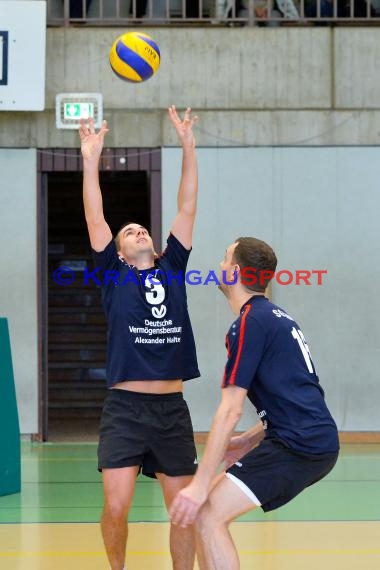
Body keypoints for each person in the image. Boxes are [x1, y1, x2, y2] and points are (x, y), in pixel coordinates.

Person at [170, 236, 340, 570]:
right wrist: (247, 440)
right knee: (208, 516)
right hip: (308, 438)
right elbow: (295, 397)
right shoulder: (278, 318)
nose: (219, 266)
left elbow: (230, 408)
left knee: (205, 512)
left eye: (224, 259)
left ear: (234, 273)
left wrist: (200, 485)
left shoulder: (250, 323)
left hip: (299, 445)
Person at [79, 106, 200, 570]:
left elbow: (187, 205)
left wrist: (188, 145)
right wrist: (91, 161)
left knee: (183, 515)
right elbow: (95, 220)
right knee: (116, 507)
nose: (139, 232)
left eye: (142, 229)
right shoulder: (113, 274)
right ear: (121, 251)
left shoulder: (172, 267)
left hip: (171, 409)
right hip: (125, 409)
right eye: (130, 231)